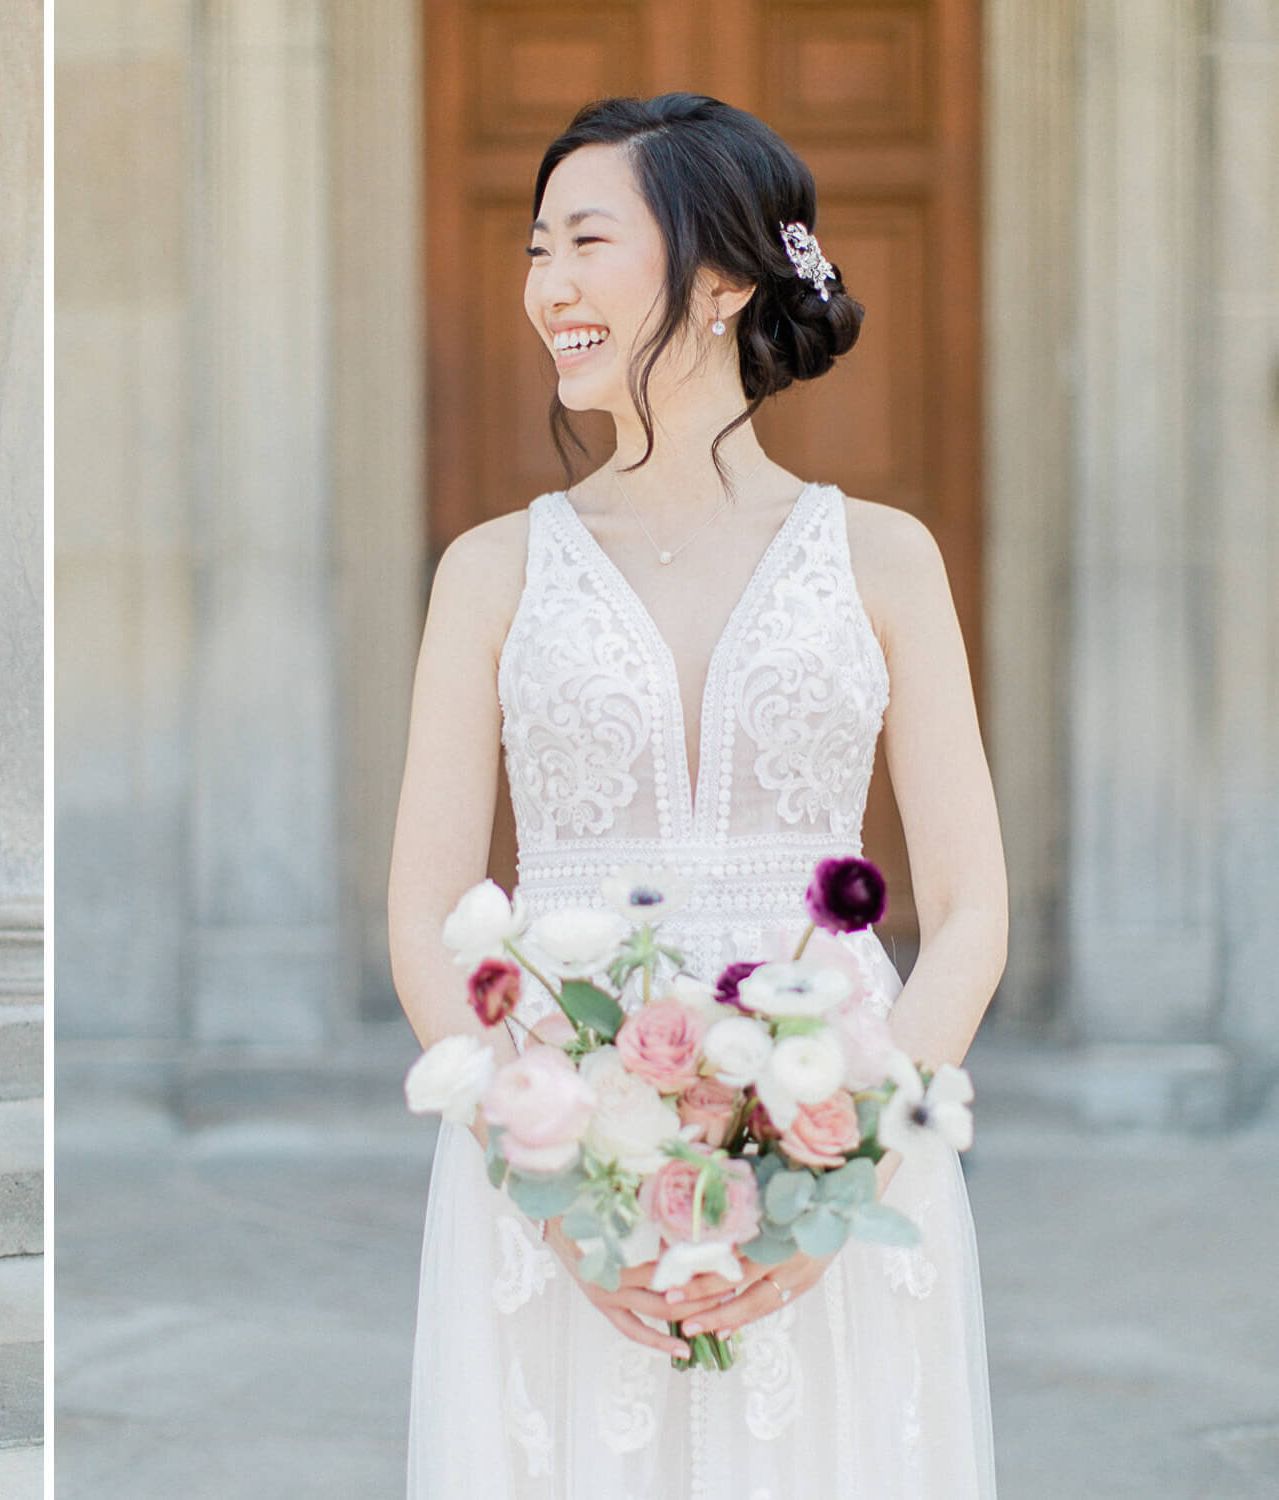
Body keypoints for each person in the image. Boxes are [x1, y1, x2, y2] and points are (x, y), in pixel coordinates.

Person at [387, 93, 1005, 1497]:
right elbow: (424, 911)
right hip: (551, 1134)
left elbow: (970, 911)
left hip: (834, 1117)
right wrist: (548, 1190)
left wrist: (842, 1184)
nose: (549, 284)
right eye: (536, 246)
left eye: (587, 240)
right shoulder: (491, 572)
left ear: (722, 279)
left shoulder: (887, 559)